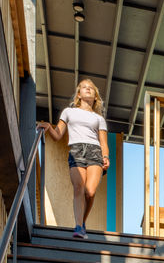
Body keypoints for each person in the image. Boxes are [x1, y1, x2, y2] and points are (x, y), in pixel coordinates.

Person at [37, 78, 110, 239]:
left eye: (91, 88)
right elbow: (57, 135)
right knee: (79, 188)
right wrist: (49, 126)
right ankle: (78, 226)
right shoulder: (68, 112)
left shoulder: (99, 119)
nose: (87, 89)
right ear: (79, 94)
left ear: (96, 96)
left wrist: (106, 157)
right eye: (84, 87)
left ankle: (82, 222)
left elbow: (104, 142)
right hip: (76, 150)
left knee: (90, 192)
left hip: (94, 152)